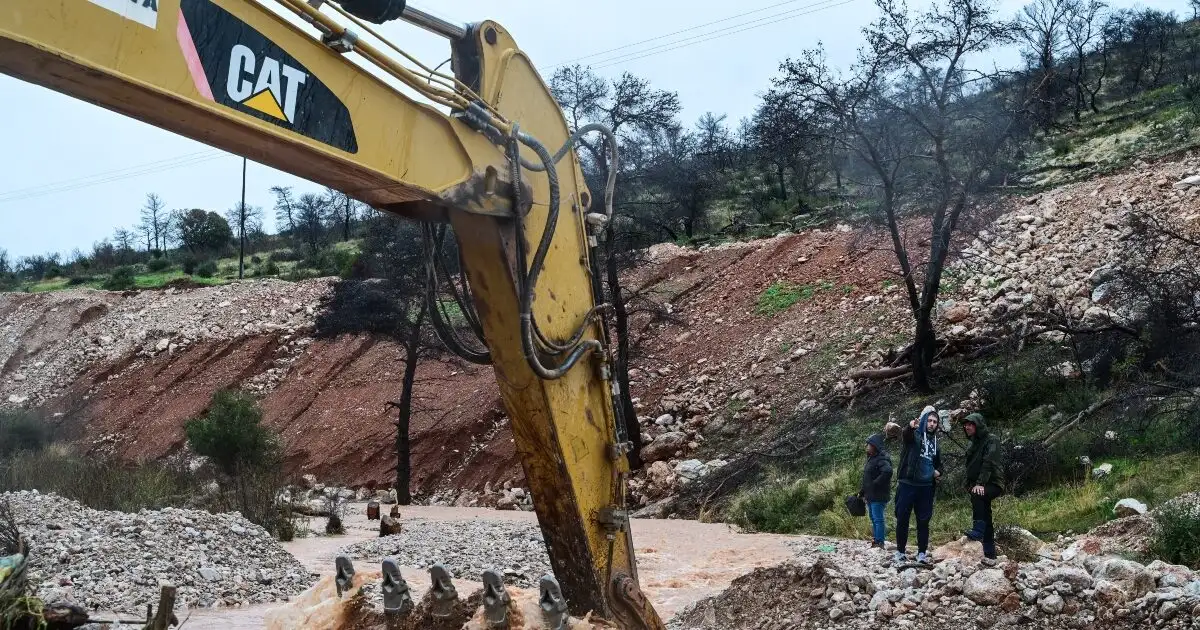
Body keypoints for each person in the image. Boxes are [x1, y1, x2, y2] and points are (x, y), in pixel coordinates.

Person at [893, 406, 942, 564]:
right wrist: (910, 426)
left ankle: (921, 553)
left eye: (935, 421)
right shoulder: (914, 435)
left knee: (923, 521)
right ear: (924, 421)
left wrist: (938, 472)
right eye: (929, 420)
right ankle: (900, 552)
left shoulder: (936, 443)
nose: (932, 424)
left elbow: (939, 464)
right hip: (908, 483)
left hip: (926, 487)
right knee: (902, 518)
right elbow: (905, 435)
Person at [962, 412, 1005, 563]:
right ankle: (989, 552)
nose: (967, 427)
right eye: (966, 424)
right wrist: (969, 483)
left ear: (978, 425)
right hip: (978, 484)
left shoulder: (991, 440)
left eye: (970, 424)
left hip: (993, 483)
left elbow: (988, 462)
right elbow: (970, 466)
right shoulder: (972, 442)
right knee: (986, 515)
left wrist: (980, 484)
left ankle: (978, 530)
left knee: (978, 495)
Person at [859, 433, 893, 549]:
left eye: (869, 444)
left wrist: (875, 483)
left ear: (875, 446)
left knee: (878, 519)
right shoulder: (871, 459)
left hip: (879, 495)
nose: (867, 446)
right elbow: (867, 478)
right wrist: (862, 491)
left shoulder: (881, 458)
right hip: (871, 495)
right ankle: (876, 540)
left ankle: (880, 542)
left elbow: (887, 472)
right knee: (874, 518)